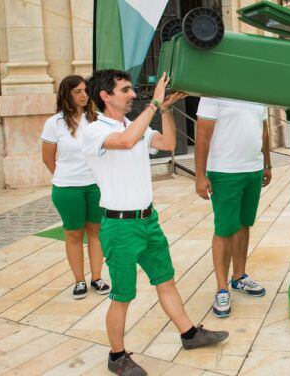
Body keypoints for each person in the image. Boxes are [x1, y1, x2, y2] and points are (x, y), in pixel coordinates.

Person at [81, 70, 228, 376]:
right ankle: (116, 356)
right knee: (123, 295)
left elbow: (169, 142)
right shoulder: (93, 129)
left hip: (148, 220)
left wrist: (166, 111)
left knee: (166, 280)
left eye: (132, 89)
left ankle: (189, 334)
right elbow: (125, 141)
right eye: (125, 90)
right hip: (120, 227)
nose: (133, 94)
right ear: (105, 96)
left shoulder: (132, 124)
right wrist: (154, 103)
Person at [194, 97, 271, 318]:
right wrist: (200, 175)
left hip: (253, 169)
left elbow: (264, 131)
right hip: (225, 171)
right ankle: (221, 288)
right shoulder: (213, 93)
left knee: (243, 224)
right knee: (224, 229)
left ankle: (239, 277)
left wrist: (266, 163)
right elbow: (203, 135)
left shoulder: (257, 90)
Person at [41, 75, 110, 299]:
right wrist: (65, 176)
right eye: (77, 91)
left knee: (95, 231)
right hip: (67, 188)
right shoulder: (54, 123)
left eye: (84, 90)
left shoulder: (97, 119)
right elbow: (47, 158)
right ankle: (79, 281)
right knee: (72, 233)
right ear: (66, 95)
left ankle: (97, 278)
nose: (83, 95)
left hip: (95, 186)